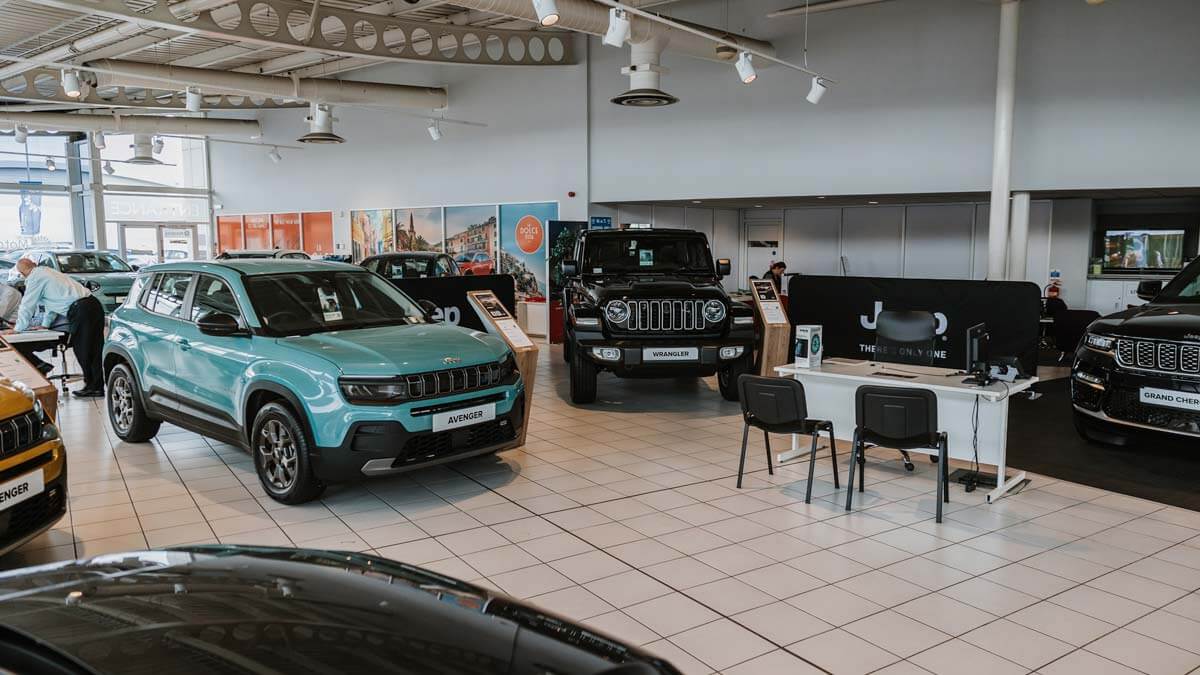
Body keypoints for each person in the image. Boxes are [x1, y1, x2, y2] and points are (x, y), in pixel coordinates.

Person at [2, 259, 105, 397]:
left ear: (22, 273)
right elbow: (53, 304)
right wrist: (45, 325)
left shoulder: (35, 278)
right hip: (93, 305)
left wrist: (18, 328)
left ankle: (94, 387)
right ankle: (95, 386)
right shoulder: (48, 272)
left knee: (84, 349)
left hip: (82, 309)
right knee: (93, 349)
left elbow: (27, 305)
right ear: (34, 264)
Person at [0, 281, 56, 376]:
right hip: (16, 329)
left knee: (7, 346)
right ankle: (38, 365)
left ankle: (37, 365)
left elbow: (1, 313)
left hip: (22, 331)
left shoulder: (9, 293)